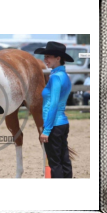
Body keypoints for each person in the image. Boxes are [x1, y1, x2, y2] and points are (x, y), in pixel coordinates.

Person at [34, 41, 74, 178]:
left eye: (49, 56)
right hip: (62, 124)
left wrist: (46, 130)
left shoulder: (56, 77)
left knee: (55, 163)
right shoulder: (64, 76)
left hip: (54, 126)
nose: (45, 59)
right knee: (64, 160)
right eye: (45, 56)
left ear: (58, 58)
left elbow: (54, 104)